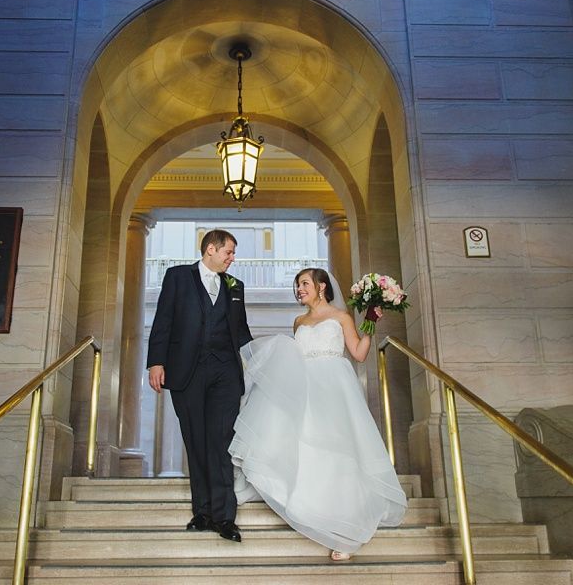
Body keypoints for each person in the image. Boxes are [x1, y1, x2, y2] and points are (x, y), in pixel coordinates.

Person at [229, 267, 408, 560]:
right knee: (305, 446)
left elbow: (359, 353)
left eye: (304, 284)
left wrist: (370, 323)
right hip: (304, 389)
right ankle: (310, 505)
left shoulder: (341, 318)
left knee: (338, 451)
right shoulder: (298, 321)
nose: (299, 289)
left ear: (322, 286)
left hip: (335, 387)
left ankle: (346, 530)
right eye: (297, 286)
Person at [147, 229, 254, 542]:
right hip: (187, 371)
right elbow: (163, 319)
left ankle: (225, 518)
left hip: (225, 373)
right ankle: (203, 513)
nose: (232, 259)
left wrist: (264, 360)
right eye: (229, 252)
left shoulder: (236, 287)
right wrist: (156, 361)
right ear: (211, 249)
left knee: (221, 443)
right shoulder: (178, 277)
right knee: (196, 442)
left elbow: (242, 331)